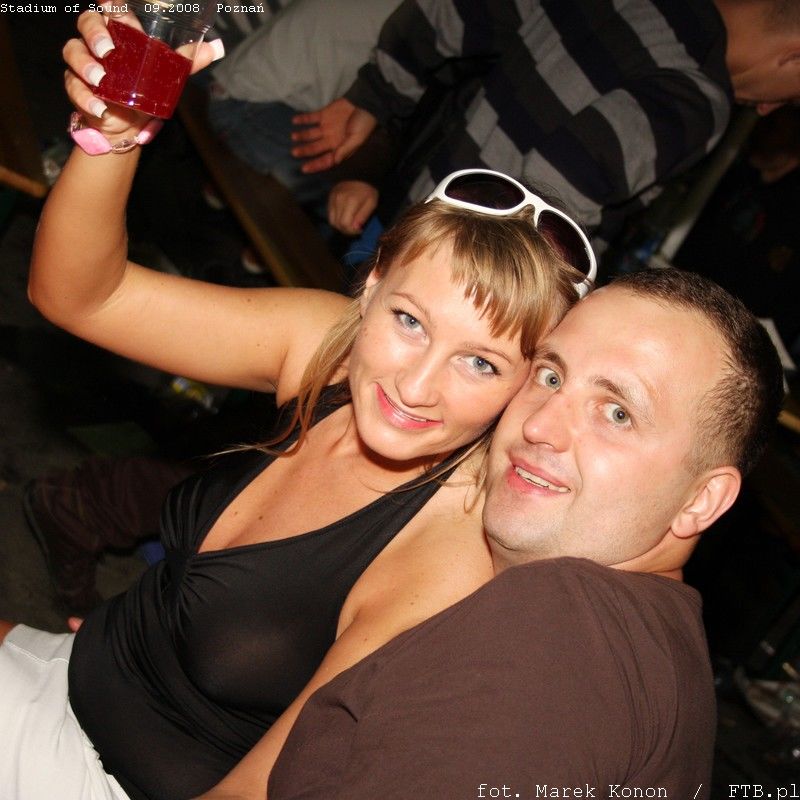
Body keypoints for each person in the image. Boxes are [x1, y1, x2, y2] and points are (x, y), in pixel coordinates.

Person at [0, 14, 589, 800]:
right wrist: (114, 136)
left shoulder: (447, 551)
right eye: (409, 321)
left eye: (480, 363)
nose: (417, 386)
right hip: (71, 673)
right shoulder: (328, 348)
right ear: (370, 286)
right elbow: (80, 295)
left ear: (525, 387)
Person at [264, 268, 786, 800]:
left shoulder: (557, 623)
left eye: (617, 414)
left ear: (702, 500)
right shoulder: (658, 658)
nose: (538, 426)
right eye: (551, 377)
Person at [291, 0, 800, 250]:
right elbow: (555, 196)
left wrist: (376, 95)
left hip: (409, 224)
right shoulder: (698, 96)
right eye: (792, 96)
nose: (768, 110)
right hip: (460, 281)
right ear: (794, 57)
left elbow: (451, 12)